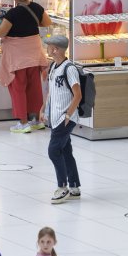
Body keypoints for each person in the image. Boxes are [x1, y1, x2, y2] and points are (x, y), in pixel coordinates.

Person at [0, 0, 52, 134]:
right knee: (34, 87)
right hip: (34, 54)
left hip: (17, 58)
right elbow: (47, 22)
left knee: (18, 88)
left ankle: (23, 122)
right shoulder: (37, 8)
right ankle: (36, 120)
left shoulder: (12, 14)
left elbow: (1, 33)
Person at [40, 35, 83, 203]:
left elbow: (77, 94)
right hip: (56, 116)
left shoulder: (69, 69)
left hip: (65, 118)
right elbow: (51, 91)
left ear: (56, 49)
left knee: (53, 150)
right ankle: (74, 186)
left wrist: (67, 115)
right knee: (65, 151)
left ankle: (62, 186)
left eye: (49, 46)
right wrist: (43, 108)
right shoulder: (53, 67)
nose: (47, 48)